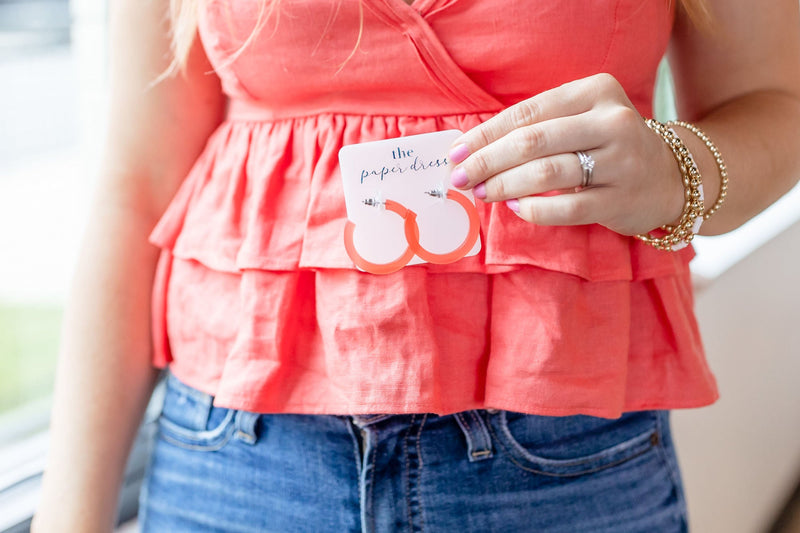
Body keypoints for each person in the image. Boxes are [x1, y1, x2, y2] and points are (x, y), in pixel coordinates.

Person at [32, 0, 800, 531]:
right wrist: (67, 513)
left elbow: (775, 100)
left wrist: (674, 169)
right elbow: (138, 184)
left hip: (564, 451)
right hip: (241, 453)